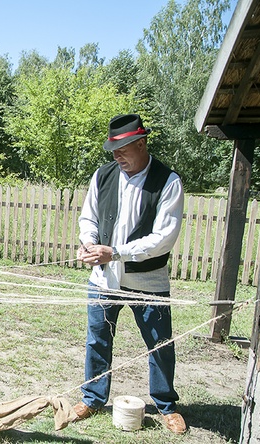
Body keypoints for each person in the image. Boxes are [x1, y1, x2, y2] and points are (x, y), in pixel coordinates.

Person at [74, 114, 186, 434]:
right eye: (113, 149)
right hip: (104, 280)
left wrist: (116, 252)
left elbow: (163, 237)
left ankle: (166, 404)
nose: (117, 155)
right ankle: (93, 397)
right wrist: (89, 244)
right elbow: (88, 218)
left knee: (159, 343)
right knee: (97, 340)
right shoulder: (103, 176)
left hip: (148, 281)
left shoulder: (169, 181)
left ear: (141, 143)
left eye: (123, 148)